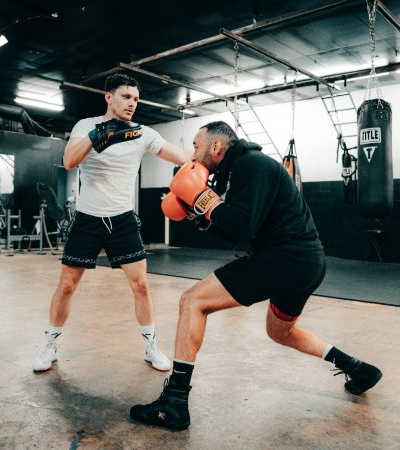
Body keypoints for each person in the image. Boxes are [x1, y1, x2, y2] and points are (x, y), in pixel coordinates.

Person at [130, 121, 382, 430]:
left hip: (285, 259)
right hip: (305, 262)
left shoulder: (252, 166)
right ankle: (357, 368)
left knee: (192, 301)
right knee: (281, 331)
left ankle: (174, 403)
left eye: (196, 146)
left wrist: (201, 198)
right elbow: (235, 229)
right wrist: (198, 214)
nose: (192, 154)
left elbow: (241, 225)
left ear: (215, 146)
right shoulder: (238, 170)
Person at [32, 73, 192, 373]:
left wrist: (220, 153)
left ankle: (151, 346)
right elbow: (69, 161)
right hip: (87, 219)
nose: (132, 103)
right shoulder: (86, 126)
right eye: (126, 96)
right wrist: (96, 136)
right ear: (109, 97)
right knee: (66, 285)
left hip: (122, 220)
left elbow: (182, 155)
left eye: (136, 99)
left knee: (141, 285)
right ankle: (50, 345)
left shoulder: (143, 133)